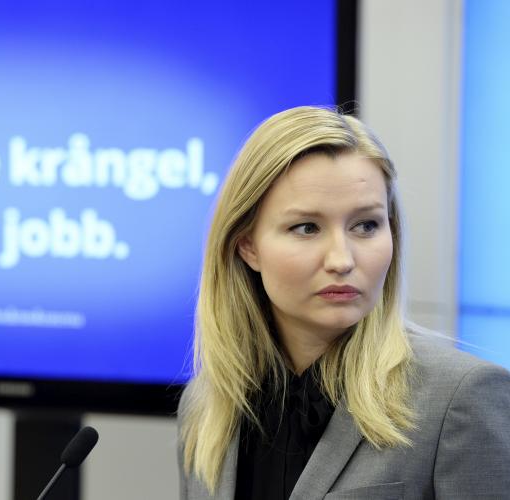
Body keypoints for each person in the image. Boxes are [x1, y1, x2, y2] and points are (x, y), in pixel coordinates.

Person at [177, 106, 510, 499]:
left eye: (366, 225)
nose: (342, 260)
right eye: (307, 228)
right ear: (247, 245)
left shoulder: (460, 397)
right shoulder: (205, 406)